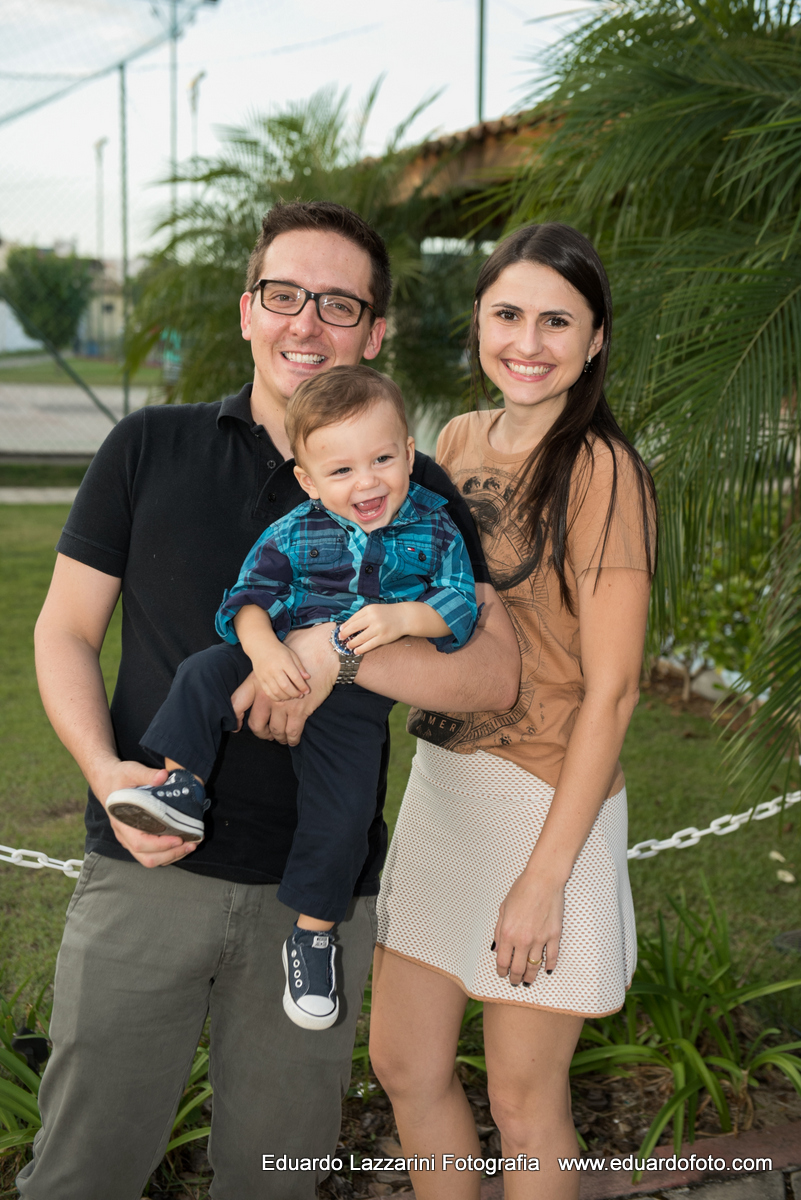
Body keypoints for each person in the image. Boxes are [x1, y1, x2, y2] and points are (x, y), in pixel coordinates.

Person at [26, 200, 521, 1200]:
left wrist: (330, 654)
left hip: (319, 897)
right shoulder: (150, 447)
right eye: (285, 294)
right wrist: (102, 770)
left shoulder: (408, 485)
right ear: (247, 309)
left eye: (339, 303)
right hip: (146, 869)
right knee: (82, 1171)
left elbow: (491, 674)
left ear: (374, 332)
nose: (308, 322)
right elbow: (64, 632)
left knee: (275, 1182)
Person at [369, 221, 657, 1200]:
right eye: (508, 314)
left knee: (526, 1102)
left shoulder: (603, 472)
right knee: (406, 1064)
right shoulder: (455, 438)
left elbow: (613, 691)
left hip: (544, 800)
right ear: (479, 321)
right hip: (445, 782)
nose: (527, 343)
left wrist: (544, 878)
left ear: (595, 339)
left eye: (556, 321)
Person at [105, 364, 478, 1031]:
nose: (365, 483)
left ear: (409, 454)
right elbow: (248, 601)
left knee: (344, 816)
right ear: (307, 480)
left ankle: (311, 936)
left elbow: (457, 603)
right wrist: (265, 651)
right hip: (269, 661)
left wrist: (403, 620)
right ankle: (181, 789)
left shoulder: (434, 524)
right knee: (198, 674)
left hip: (357, 693)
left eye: (382, 460)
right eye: (340, 471)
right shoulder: (294, 531)